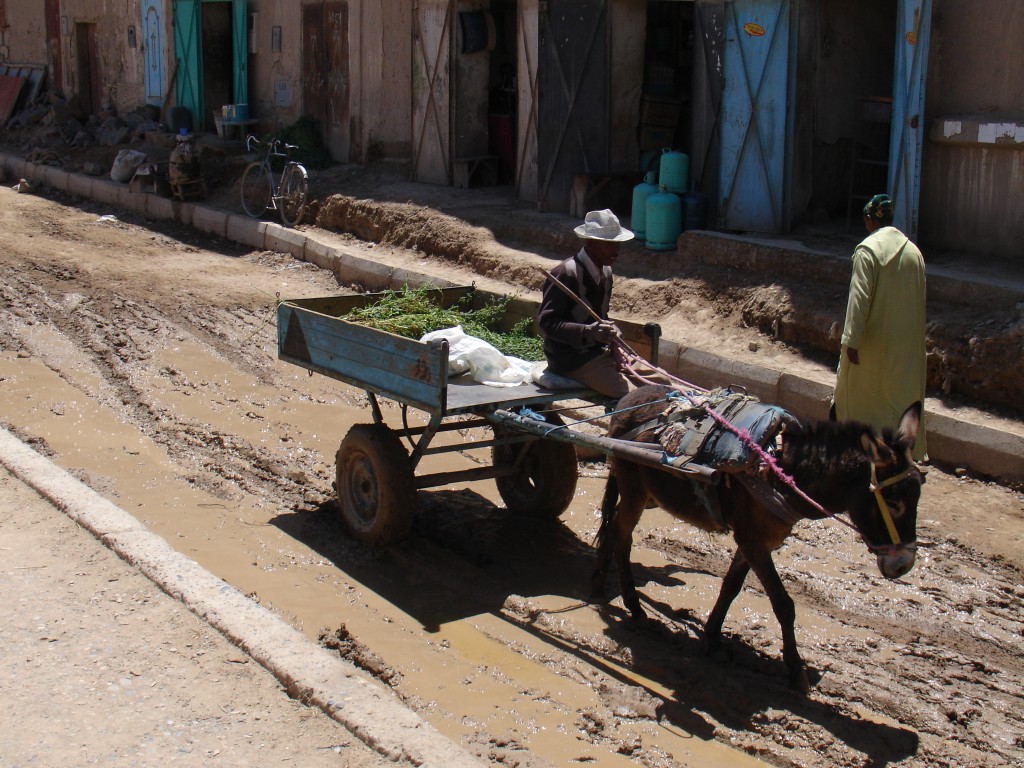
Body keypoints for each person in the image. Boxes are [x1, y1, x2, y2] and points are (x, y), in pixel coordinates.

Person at [832, 193, 928, 460]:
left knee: (851, 402)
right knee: (896, 406)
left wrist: (852, 340)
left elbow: (858, 299)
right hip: (904, 351)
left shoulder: (868, 250)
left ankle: (854, 454)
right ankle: (901, 457)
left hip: (871, 347)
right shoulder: (914, 253)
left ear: (868, 220)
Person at [537, 209, 633, 399]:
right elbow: (547, 323)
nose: (616, 250)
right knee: (627, 394)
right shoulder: (566, 273)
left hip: (596, 351)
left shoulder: (606, 273)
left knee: (657, 381)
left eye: (617, 244)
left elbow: (600, 316)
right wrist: (587, 332)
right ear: (590, 243)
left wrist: (611, 331)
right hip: (570, 358)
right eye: (608, 244)